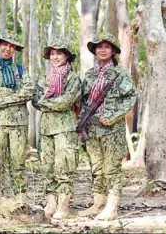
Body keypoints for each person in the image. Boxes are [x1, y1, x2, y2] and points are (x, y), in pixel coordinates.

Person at [77, 32, 137, 221]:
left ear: (113, 51)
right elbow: (84, 100)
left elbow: (131, 97)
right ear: (94, 50)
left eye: (107, 47)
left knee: (112, 168)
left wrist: (113, 116)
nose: (102, 50)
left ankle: (112, 207)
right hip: (92, 128)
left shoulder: (120, 73)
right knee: (96, 167)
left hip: (111, 129)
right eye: (99, 47)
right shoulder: (90, 74)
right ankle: (99, 203)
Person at [0, 29, 34, 208]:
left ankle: (19, 200)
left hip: (18, 123)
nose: (8, 49)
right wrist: (13, 93)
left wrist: (4, 98)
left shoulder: (20, 70)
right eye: (4, 44)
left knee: (18, 163)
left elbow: (29, 91)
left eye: (12, 46)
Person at [32, 38, 81, 219]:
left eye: (59, 53)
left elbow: (66, 102)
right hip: (46, 129)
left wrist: (47, 102)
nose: (55, 57)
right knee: (47, 168)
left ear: (67, 56)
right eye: (52, 53)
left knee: (63, 168)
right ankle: (50, 202)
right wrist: (49, 102)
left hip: (65, 129)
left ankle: (63, 204)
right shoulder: (44, 78)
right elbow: (36, 100)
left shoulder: (73, 78)